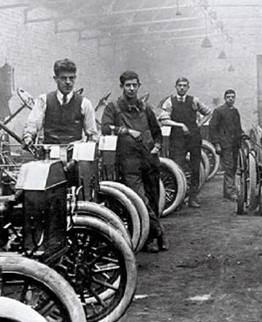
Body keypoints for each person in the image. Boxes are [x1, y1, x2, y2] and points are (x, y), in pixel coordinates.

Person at [100, 71, 167, 252]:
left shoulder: (145, 108)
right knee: (139, 199)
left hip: (150, 159)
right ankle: (157, 233)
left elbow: (157, 132)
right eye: (127, 85)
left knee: (153, 198)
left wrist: (157, 147)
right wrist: (127, 131)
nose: (131, 88)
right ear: (121, 87)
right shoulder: (113, 107)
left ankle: (151, 237)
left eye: (134, 85)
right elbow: (105, 128)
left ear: (139, 86)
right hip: (128, 161)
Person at [158, 77, 213, 208]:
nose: (182, 88)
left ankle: (193, 197)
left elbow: (208, 112)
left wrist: (199, 124)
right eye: (179, 85)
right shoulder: (169, 102)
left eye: (184, 86)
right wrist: (179, 125)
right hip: (177, 139)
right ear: (176, 87)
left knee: (195, 168)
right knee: (177, 167)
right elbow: (163, 120)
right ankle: (179, 199)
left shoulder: (194, 100)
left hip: (194, 138)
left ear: (188, 87)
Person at [22, 58, 97, 148]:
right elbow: (32, 124)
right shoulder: (43, 101)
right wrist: (28, 137)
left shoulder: (85, 104)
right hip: (49, 154)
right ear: (55, 79)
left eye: (71, 78)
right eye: (63, 78)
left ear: (75, 78)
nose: (68, 82)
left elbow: (92, 135)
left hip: (75, 155)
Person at [210, 89, 245, 200]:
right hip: (225, 145)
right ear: (225, 98)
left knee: (234, 167)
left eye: (233, 97)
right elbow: (212, 128)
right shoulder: (219, 111)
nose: (231, 99)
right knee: (229, 167)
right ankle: (231, 192)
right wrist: (216, 144)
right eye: (228, 97)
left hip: (235, 144)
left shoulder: (235, 111)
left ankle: (227, 191)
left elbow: (238, 127)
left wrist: (242, 135)